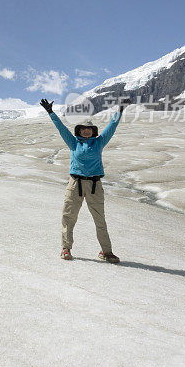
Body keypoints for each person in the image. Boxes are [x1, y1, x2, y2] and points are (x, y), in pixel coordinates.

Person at [39, 98, 126, 263]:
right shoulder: (73, 142)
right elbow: (61, 128)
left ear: (94, 131)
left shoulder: (99, 142)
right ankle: (66, 248)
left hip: (95, 185)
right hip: (75, 184)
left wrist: (120, 111)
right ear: (79, 131)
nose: (86, 131)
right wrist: (51, 112)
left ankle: (106, 251)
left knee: (99, 218)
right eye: (83, 129)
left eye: (89, 129)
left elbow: (112, 127)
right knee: (68, 216)